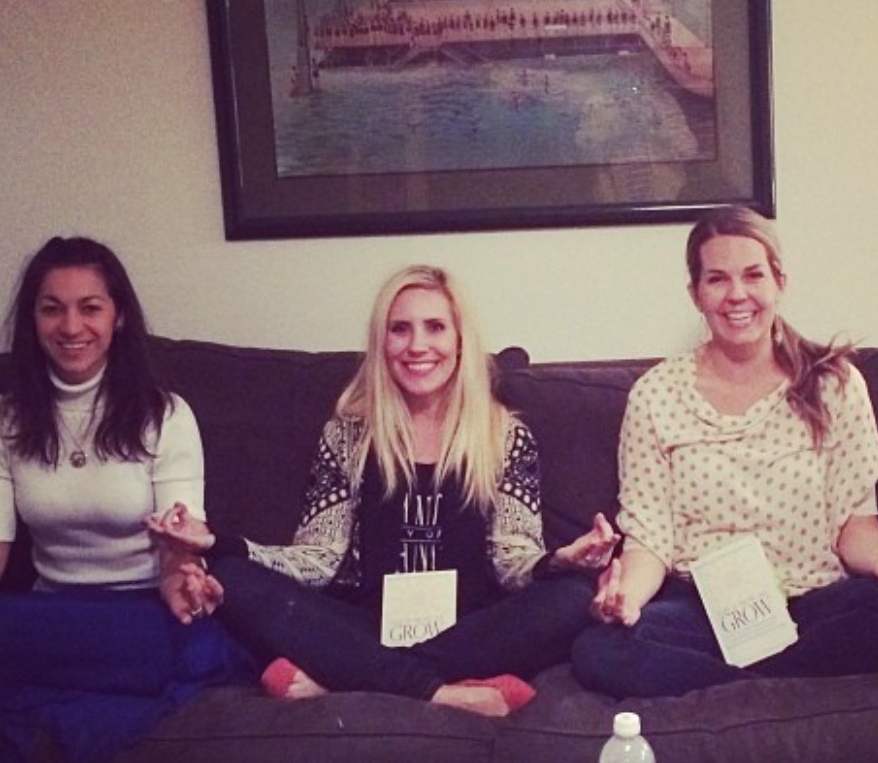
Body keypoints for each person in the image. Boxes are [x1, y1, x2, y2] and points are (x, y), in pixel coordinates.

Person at [149, 264, 615, 718]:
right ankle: (445, 694)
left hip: (472, 629)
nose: (417, 345)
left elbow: (513, 561)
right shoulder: (347, 435)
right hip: (364, 626)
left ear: (460, 340)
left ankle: (347, 679)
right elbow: (317, 559)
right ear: (381, 341)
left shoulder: (506, 436)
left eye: (435, 327)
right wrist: (217, 543)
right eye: (400, 329)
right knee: (232, 576)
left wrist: (561, 560)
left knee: (573, 596)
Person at [570, 206, 878, 699]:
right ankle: (785, 686)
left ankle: (736, 687)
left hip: (812, 600)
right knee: (599, 649)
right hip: (703, 610)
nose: (737, 295)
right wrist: (626, 599)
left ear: (778, 283)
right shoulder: (655, 395)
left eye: (753, 275)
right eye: (717, 279)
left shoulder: (835, 383)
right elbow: (650, 542)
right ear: (696, 294)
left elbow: (855, 525)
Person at [0, 236, 248, 763]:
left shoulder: (165, 415)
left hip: (144, 616)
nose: (71, 326)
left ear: (117, 316)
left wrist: (182, 577)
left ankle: (40, 692)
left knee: (187, 643)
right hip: (50, 617)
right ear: (33, 319)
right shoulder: (0, 420)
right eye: (52, 308)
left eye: (90, 307)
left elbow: (179, 546)